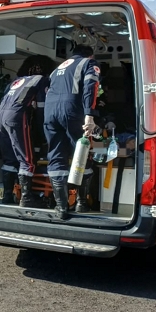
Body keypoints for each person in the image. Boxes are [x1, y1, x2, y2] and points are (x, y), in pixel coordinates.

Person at [43, 44, 101, 219]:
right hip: (72, 110)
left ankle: (61, 208)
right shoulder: (88, 63)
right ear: (90, 55)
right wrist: (89, 115)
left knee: (56, 155)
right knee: (82, 153)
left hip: (50, 112)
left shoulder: (56, 69)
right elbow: (91, 86)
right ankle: (81, 203)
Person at [0, 55, 56, 207]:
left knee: (9, 158)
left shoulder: (16, 81)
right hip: (17, 115)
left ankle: (7, 196)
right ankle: (27, 197)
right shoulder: (41, 80)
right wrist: (44, 132)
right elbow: (42, 108)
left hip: (0, 115)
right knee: (26, 158)